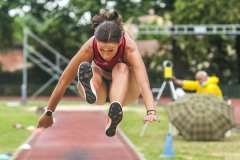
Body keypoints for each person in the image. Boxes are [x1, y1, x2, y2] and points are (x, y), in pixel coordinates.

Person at [37, 10, 158, 137]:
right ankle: (92, 86)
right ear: (96, 41)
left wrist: (151, 111)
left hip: (125, 91)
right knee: (93, 68)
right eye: (101, 49)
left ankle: (115, 111)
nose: (106, 55)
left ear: (120, 42)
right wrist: (49, 112)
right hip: (100, 91)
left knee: (121, 68)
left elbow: (144, 84)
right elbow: (64, 81)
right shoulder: (90, 47)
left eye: (111, 50)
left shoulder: (129, 48)